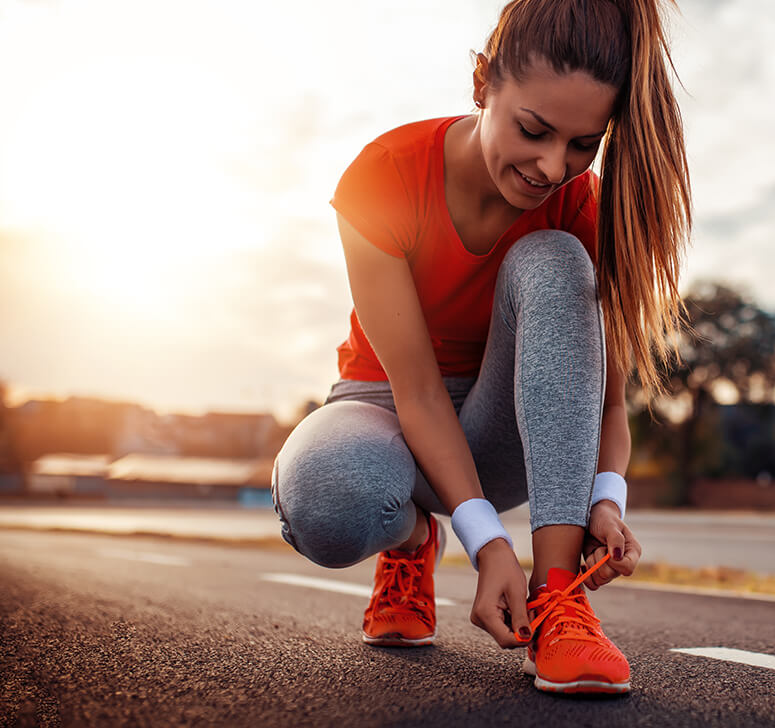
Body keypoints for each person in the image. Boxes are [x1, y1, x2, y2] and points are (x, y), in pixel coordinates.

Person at [271, 0, 690, 696]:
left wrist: (607, 501)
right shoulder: (385, 174)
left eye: (583, 144)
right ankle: (409, 543)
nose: (554, 167)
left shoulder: (580, 211)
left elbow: (608, 404)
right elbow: (419, 393)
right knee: (325, 498)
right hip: (388, 411)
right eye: (534, 130)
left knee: (555, 257)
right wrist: (484, 543)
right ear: (481, 82)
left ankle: (558, 599)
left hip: (505, 432)